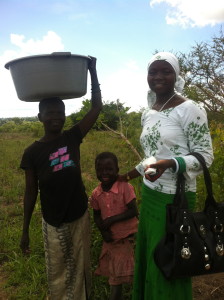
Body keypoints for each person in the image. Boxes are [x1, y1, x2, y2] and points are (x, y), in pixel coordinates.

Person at [119, 52, 214, 300]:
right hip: (150, 196)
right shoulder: (149, 112)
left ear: (176, 75)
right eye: (153, 72)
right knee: (152, 255)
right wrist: (126, 177)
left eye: (166, 71)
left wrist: (170, 164)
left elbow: (205, 157)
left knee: (170, 262)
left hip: (176, 199)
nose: (158, 77)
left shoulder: (190, 110)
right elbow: (152, 156)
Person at [19, 56, 102, 300]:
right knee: (58, 273)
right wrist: (25, 230)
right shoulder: (32, 152)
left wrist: (92, 72)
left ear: (66, 115)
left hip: (78, 215)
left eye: (60, 112)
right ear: (40, 117)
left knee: (81, 266)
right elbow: (30, 192)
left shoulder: (72, 137)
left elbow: (96, 108)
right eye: (50, 113)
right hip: (53, 221)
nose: (56, 116)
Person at [90, 152, 138, 300]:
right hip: (112, 241)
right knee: (115, 277)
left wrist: (111, 220)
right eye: (100, 169)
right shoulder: (96, 194)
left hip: (130, 238)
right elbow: (97, 215)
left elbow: (133, 211)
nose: (105, 173)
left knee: (135, 272)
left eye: (109, 169)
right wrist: (103, 231)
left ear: (117, 169)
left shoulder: (125, 187)